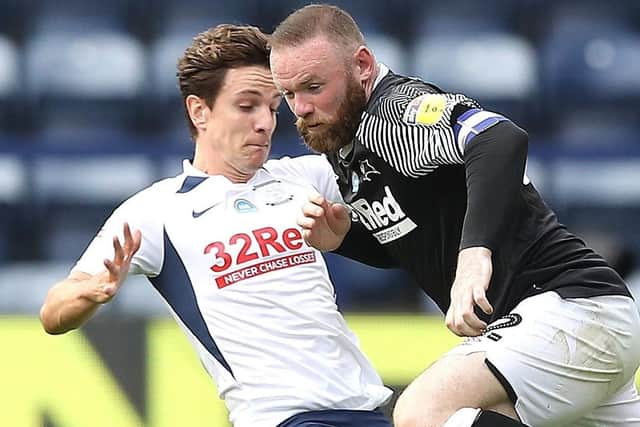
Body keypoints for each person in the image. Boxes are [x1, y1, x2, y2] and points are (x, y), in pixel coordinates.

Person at [269, 5, 640, 427]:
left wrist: (474, 254)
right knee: (468, 417)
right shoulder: (344, 133)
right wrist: (345, 240)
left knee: (420, 412)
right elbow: (420, 238)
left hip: (566, 307)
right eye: (289, 94)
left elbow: (499, 138)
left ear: (363, 65)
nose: (300, 107)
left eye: (313, 86)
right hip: (578, 323)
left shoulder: (396, 112)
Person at [39, 24, 394, 427]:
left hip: (366, 413)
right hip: (281, 418)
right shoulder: (156, 211)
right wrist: (91, 293)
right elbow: (53, 312)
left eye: (274, 107)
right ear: (199, 111)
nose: (266, 123)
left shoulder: (308, 176)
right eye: (247, 106)